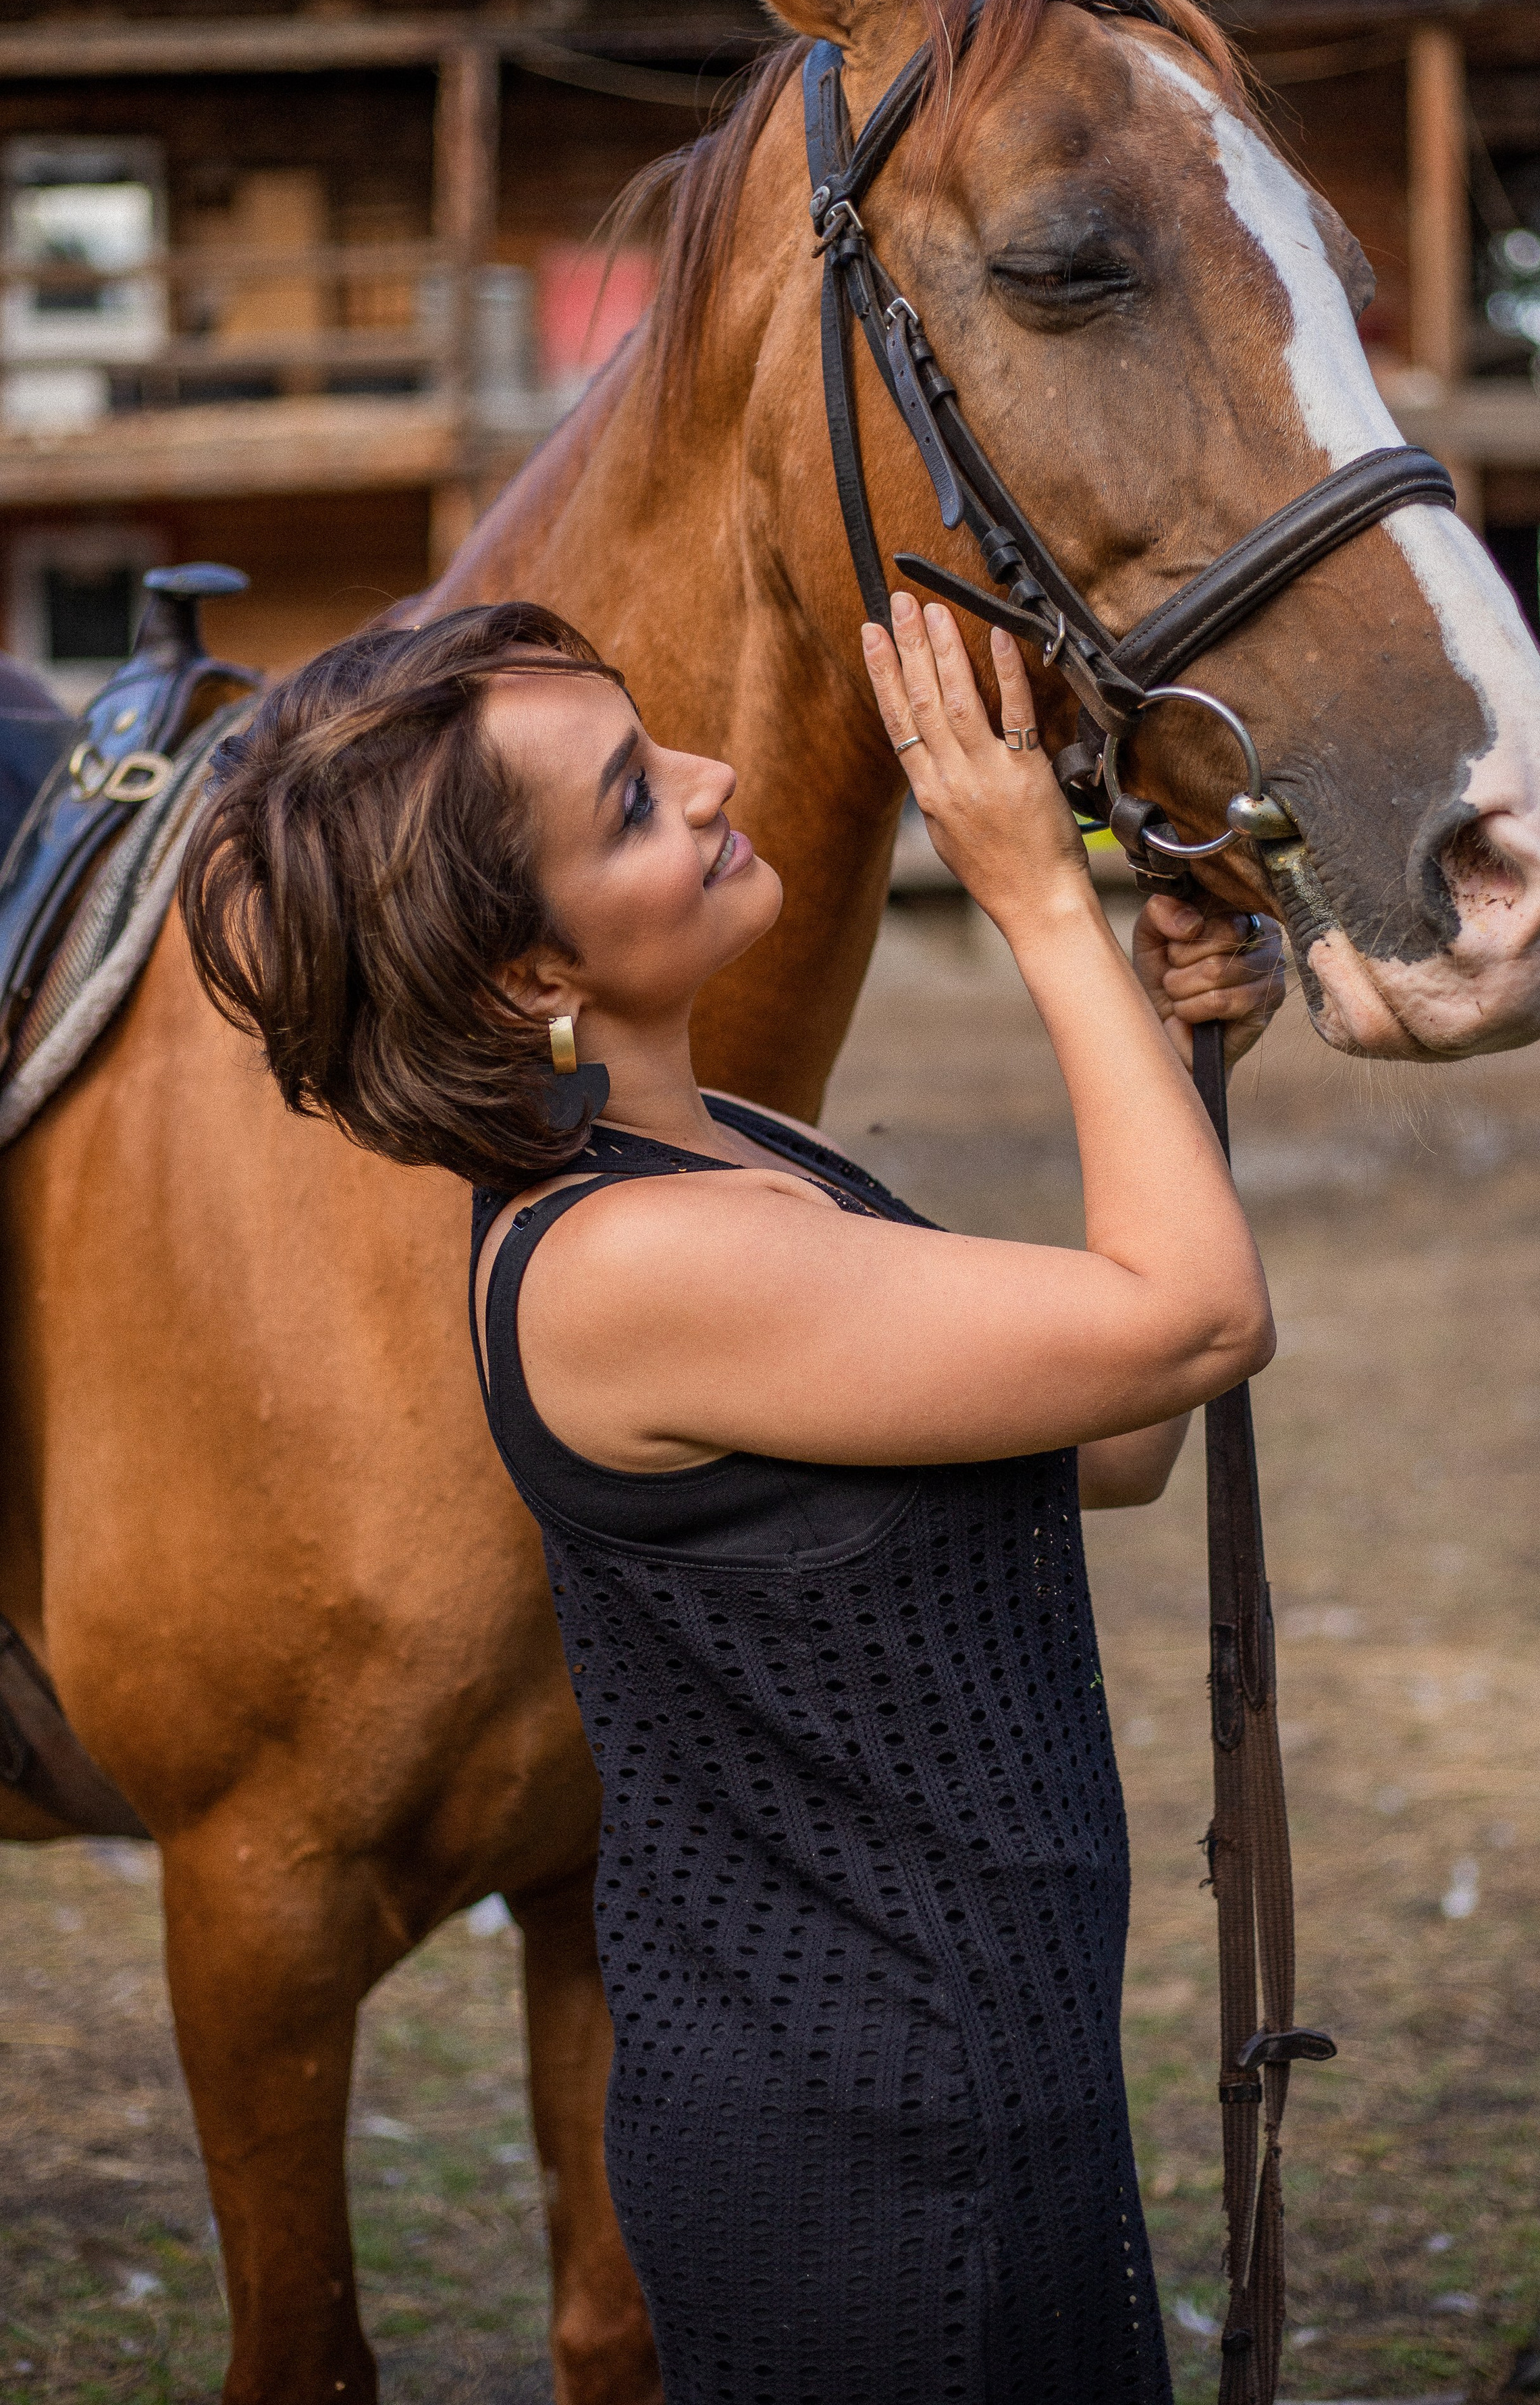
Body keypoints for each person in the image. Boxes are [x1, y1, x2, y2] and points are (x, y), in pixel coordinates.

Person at [182, 589, 1285, 2405]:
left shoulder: (738, 1154)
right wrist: (1035, 896)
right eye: (627, 802)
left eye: (656, 735)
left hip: (979, 2084)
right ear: (531, 975)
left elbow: (1115, 1433)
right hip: (864, 2165)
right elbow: (1198, 1322)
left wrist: (1171, 1046)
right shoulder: (627, 1264)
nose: (705, 782)